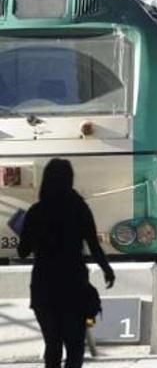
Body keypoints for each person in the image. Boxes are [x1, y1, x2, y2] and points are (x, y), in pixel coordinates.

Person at [17, 158, 115, 368]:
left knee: (52, 345)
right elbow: (94, 245)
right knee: (74, 345)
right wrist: (107, 270)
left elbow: (22, 252)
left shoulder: (36, 212)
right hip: (73, 285)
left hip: (44, 287)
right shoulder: (79, 209)